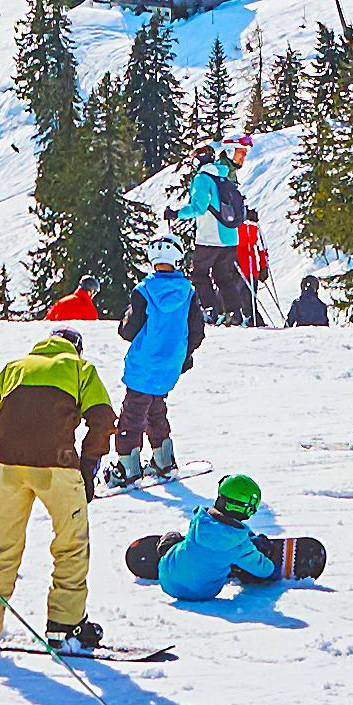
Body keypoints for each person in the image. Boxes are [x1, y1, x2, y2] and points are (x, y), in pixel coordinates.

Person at [0, 326, 116, 652]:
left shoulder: (14, 367)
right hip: (56, 465)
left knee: (2, 549)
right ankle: (64, 626)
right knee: (70, 545)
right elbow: (103, 420)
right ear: (77, 347)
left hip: (4, 465)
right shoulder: (80, 367)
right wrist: (88, 468)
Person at [129, 470, 320, 600]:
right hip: (203, 593)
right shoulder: (239, 545)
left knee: (179, 540)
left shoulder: (199, 519)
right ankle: (235, 566)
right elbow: (264, 570)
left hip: (167, 579)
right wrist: (270, 567)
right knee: (237, 558)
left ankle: (167, 549)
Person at [112, 233, 202, 485]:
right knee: (155, 407)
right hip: (170, 364)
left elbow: (129, 329)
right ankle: (164, 459)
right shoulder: (188, 292)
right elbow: (197, 331)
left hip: (144, 363)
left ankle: (127, 467)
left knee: (133, 412)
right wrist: (183, 354)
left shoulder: (144, 291)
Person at [180, 141, 257, 327]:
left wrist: (176, 213)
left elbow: (198, 207)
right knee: (223, 276)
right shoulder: (224, 176)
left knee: (199, 274)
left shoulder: (202, 178)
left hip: (209, 237)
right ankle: (234, 313)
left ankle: (211, 311)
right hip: (230, 237)